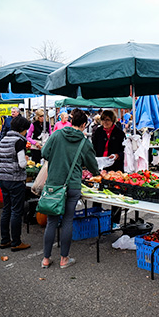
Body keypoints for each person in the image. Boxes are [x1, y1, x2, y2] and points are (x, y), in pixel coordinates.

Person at [41, 109, 99, 269]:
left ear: (71, 121)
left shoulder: (57, 134)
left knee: (51, 222)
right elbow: (93, 165)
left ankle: (46, 259)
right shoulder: (84, 142)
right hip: (72, 185)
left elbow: (44, 153)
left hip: (53, 184)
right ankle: (63, 259)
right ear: (84, 124)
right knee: (67, 220)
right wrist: (97, 173)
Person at [0, 115, 32, 252]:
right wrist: (26, 158)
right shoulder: (19, 141)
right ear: (22, 129)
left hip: (3, 178)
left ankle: (5, 240)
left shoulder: (4, 139)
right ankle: (16, 242)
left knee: (6, 209)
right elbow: (22, 163)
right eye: (26, 130)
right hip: (15, 179)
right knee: (16, 211)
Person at [92, 109, 126, 224]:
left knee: (115, 193)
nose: (105, 122)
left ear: (113, 121)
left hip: (115, 167)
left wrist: (117, 155)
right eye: (103, 119)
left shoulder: (119, 133)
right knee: (98, 192)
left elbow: (124, 151)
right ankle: (96, 217)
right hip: (101, 165)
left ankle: (115, 221)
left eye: (107, 120)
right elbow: (94, 147)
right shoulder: (98, 131)